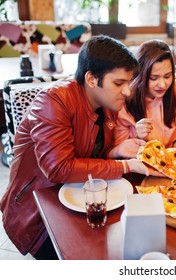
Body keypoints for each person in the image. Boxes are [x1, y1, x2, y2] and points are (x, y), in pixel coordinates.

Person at [0, 35, 159, 260]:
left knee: (131, 244)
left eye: (128, 82)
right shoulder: (53, 101)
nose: (128, 91)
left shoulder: (107, 102)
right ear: (92, 79)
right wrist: (124, 165)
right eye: (119, 83)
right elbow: (59, 169)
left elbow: (89, 155)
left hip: (84, 198)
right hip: (40, 213)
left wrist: (116, 151)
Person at [109, 39, 176, 155]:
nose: (162, 84)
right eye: (154, 78)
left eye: (167, 76)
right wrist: (136, 136)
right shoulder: (123, 101)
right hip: (139, 168)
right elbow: (118, 150)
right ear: (140, 76)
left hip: (175, 164)